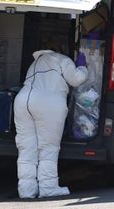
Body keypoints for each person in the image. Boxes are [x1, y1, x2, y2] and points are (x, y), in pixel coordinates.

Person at [14, 48, 88, 198]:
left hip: (22, 100)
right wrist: (82, 67)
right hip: (48, 101)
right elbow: (76, 79)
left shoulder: (35, 63)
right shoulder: (61, 59)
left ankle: (26, 190)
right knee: (48, 147)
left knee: (26, 148)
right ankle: (48, 188)